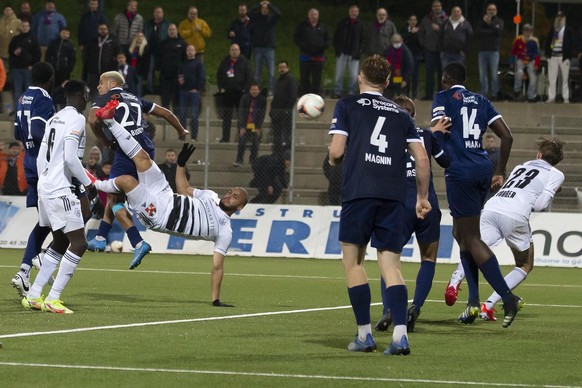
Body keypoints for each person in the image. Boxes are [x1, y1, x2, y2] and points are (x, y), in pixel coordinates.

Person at [92, 103, 248, 305]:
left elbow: (217, 266)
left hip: (160, 216)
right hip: (165, 194)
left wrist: (215, 299)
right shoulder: (210, 195)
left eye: (235, 197)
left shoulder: (225, 230)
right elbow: (183, 189)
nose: (229, 196)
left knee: (125, 181)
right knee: (143, 158)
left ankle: (92, 183)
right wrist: (181, 165)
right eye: (231, 192)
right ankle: (110, 120)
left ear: (239, 207)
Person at [328, 54, 431, 356]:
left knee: (354, 263)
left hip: (359, 192)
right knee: (390, 266)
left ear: (360, 77)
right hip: (393, 196)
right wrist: (422, 198)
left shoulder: (347, 105)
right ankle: (400, 337)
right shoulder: (402, 114)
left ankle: (364, 336)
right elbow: (422, 158)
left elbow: (336, 152)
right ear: (387, 83)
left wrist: (332, 155)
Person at [431, 62, 523, 328]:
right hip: (483, 169)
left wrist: (441, 156)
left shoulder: (444, 98)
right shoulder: (482, 100)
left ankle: (507, 298)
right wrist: (499, 171)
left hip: (461, 171)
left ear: (446, 78)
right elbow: (507, 136)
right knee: (461, 235)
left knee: (471, 238)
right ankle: (472, 300)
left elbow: (438, 128)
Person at [445, 137, 564, 322]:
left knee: (475, 247)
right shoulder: (556, 173)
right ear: (556, 160)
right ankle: (488, 305)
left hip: (492, 207)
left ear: (539, 154)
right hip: (515, 215)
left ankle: (454, 281)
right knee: (525, 265)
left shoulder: (520, 166)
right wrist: (551, 192)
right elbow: (540, 204)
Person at [86, 71, 188, 266]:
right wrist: (181, 130)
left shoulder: (105, 98)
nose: (98, 87)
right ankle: (101, 238)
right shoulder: (136, 98)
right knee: (117, 196)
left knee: (116, 199)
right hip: (146, 148)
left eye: (101, 82)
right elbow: (166, 113)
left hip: (126, 151)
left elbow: (92, 120)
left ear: (112, 83)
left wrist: (103, 140)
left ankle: (135, 241)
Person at [374, 95, 450, 333]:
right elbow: (446, 160)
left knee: (388, 259)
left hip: (398, 204)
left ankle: (388, 309)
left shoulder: (385, 137)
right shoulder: (425, 135)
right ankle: (415, 307)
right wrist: (434, 135)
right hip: (428, 203)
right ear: (414, 116)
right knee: (428, 258)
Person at [21, 80, 95, 314]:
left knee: (61, 241)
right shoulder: (77, 119)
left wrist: (46, 182)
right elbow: (72, 158)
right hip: (60, 188)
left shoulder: (54, 118)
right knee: (79, 243)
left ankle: (33, 295)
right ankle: (53, 298)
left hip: (46, 186)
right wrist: (88, 183)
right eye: (87, 95)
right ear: (82, 96)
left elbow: (43, 157)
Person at [10, 62, 55, 298]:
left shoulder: (23, 97)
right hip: (44, 164)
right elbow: (38, 130)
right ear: (50, 79)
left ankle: (24, 272)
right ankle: (44, 257)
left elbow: (18, 133)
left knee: (45, 221)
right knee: (65, 218)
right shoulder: (44, 97)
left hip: (28, 161)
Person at [216, 43, 253, 143]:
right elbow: (219, 75)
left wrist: (245, 89)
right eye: (232, 49)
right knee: (226, 117)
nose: (234, 51)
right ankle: (225, 137)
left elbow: (249, 76)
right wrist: (221, 88)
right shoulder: (225, 61)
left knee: (241, 117)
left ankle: (240, 137)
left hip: (240, 94)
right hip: (227, 94)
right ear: (230, 51)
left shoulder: (244, 62)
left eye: (236, 50)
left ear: (239, 51)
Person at [294, 8, 329, 96]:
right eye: (312, 14)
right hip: (305, 55)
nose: (313, 16)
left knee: (317, 77)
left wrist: (322, 47)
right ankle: (304, 94)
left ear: (318, 15)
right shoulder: (302, 26)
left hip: (318, 56)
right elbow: (296, 38)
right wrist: (304, 46)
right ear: (308, 15)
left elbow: (327, 40)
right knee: (304, 76)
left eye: (315, 14)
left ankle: (316, 95)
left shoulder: (323, 26)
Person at [248, 1, 281, 95]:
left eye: (266, 8)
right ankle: (257, 90)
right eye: (263, 8)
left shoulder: (271, 18)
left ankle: (271, 91)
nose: (265, 10)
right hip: (258, 48)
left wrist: (269, 4)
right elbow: (249, 12)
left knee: (271, 72)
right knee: (257, 73)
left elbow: (278, 14)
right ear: (261, 9)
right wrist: (259, 4)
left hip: (269, 48)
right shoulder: (256, 17)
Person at [332, 4, 363, 98]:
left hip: (354, 54)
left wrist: (359, 51)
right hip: (342, 53)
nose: (354, 13)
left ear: (358, 13)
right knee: (339, 74)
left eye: (356, 11)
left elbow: (363, 39)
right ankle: (337, 91)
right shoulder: (342, 22)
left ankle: (352, 92)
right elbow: (336, 36)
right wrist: (337, 50)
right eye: (352, 11)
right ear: (349, 12)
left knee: (353, 76)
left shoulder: (360, 24)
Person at [9, 20, 40, 112]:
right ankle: (18, 108)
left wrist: (33, 65)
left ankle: (28, 108)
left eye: (26, 26)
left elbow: (37, 53)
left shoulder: (33, 39)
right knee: (17, 90)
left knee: (28, 89)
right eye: (23, 26)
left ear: (29, 27)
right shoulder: (15, 39)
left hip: (28, 68)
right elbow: (10, 51)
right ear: (20, 27)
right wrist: (14, 52)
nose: (25, 28)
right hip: (16, 68)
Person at [418, 1, 447, 100]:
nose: (437, 8)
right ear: (432, 8)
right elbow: (421, 33)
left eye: (438, 6)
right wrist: (424, 44)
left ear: (441, 7)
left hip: (442, 50)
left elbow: (448, 33)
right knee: (429, 73)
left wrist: (439, 28)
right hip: (429, 50)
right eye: (435, 6)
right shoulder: (426, 19)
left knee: (441, 73)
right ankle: (429, 94)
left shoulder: (445, 19)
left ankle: (441, 94)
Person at [234, 83, 266, 167]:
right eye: (252, 90)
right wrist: (242, 127)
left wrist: (258, 127)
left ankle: (253, 160)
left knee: (255, 142)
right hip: (244, 124)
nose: (254, 91)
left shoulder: (262, 100)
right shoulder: (245, 98)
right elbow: (241, 112)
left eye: (256, 90)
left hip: (255, 124)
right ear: (250, 90)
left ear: (259, 90)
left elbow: (262, 114)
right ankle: (239, 160)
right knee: (241, 142)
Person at [475, 3, 503, 101]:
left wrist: (489, 24)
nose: (491, 11)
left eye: (493, 9)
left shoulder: (499, 21)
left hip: (494, 52)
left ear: (496, 11)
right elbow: (478, 33)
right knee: (483, 75)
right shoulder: (481, 21)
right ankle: (484, 94)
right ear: (486, 10)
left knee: (494, 74)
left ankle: (494, 94)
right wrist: (490, 30)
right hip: (482, 51)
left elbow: (498, 32)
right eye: (489, 9)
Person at [269, 61, 297, 157]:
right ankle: (276, 156)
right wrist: (271, 111)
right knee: (276, 138)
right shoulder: (277, 81)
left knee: (285, 138)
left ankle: (285, 158)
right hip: (276, 114)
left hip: (285, 115)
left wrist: (286, 110)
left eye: (283, 67)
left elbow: (293, 97)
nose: (282, 69)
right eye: (280, 67)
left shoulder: (291, 80)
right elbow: (275, 97)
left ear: (287, 68)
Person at [178, 45, 205, 141]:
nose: (190, 51)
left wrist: (196, 88)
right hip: (184, 92)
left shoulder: (198, 64)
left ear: (195, 52)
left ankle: (194, 137)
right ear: (186, 52)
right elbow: (180, 76)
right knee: (182, 115)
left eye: (191, 50)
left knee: (194, 115)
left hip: (194, 93)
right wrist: (182, 85)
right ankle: (182, 136)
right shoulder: (183, 64)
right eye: (188, 50)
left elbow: (201, 78)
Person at [545, 11, 573, 104]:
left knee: (565, 78)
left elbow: (571, 44)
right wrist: (548, 55)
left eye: (561, 17)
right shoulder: (553, 29)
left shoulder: (568, 30)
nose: (559, 18)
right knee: (552, 78)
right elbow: (548, 42)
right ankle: (551, 97)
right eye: (558, 17)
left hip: (563, 57)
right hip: (553, 56)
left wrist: (569, 56)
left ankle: (566, 97)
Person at [157, 24, 186, 111]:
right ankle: (164, 118)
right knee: (165, 99)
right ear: (168, 31)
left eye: (173, 29)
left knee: (176, 100)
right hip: (165, 77)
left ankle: (176, 118)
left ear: (177, 31)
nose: (172, 31)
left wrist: (182, 74)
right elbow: (158, 57)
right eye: (170, 29)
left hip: (177, 77)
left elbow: (185, 60)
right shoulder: (163, 43)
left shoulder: (183, 44)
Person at [85, 23, 118, 98]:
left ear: (108, 30)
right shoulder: (93, 42)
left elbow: (117, 56)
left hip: (107, 73)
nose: (102, 31)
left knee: (107, 93)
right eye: (101, 29)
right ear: (98, 30)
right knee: (94, 93)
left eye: (104, 29)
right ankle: (94, 108)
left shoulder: (113, 42)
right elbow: (87, 57)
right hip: (94, 72)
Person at [78, 0, 108, 82]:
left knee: (96, 64)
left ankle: (98, 81)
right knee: (85, 64)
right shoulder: (85, 16)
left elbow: (105, 29)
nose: (93, 5)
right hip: (86, 44)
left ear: (98, 5)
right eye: (92, 4)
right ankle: (83, 82)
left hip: (98, 44)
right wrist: (81, 43)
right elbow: (80, 30)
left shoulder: (101, 16)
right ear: (89, 5)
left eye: (95, 4)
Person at [143, 6, 170, 94]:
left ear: (163, 14)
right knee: (151, 70)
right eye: (156, 12)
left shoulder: (167, 24)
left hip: (163, 52)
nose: (158, 14)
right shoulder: (148, 24)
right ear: (154, 14)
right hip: (151, 51)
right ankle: (149, 88)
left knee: (164, 70)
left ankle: (164, 88)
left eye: (160, 12)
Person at [511, 24, 540, 102]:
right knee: (519, 72)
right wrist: (512, 62)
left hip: (530, 61)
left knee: (533, 76)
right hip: (521, 60)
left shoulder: (534, 41)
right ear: (523, 31)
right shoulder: (518, 39)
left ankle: (531, 95)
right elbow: (513, 52)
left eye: (529, 31)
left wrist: (536, 64)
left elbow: (537, 54)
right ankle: (516, 91)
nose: (527, 32)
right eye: (526, 30)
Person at [382, 33, 414, 99]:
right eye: (395, 42)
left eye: (398, 42)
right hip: (389, 81)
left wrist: (405, 80)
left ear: (401, 41)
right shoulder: (387, 51)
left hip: (402, 80)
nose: (397, 44)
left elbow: (410, 67)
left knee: (403, 101)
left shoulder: (406, 52)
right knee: (386, 99)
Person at [401, 14, 422, 100]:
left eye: (414, 20)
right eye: (411, 20)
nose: (413, 21)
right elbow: (403, 39)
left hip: (416, 56)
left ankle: (414, 95)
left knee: (415, 76)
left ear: (416, 21)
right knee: (406, 75)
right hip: (406, 56)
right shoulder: (404, 30)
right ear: (408, 21)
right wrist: (411, 33)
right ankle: (406, 94)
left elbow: (421, 42)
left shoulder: (419, 30)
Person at [127, 31, 149, 98]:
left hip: (140, 71)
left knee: (138, 89)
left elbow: (146, 62)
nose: (139, 37)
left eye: (141, 36)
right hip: (131, 71)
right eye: (138, 36)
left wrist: (145, 74)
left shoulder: (146, 47)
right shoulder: (131, 48)